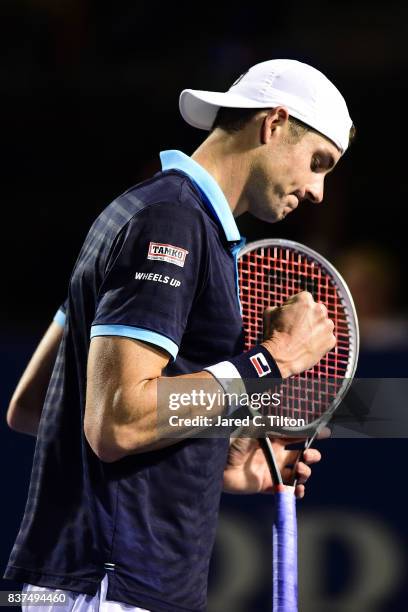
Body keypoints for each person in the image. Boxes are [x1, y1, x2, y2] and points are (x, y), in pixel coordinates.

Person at [5, 59, 354, 612]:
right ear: (273, 123)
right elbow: (117, 421)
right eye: (318, 162)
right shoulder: (173, 224)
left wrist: (220, 463)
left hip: (88, 585)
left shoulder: (139, 211)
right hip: (111, 588)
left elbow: (34, 407)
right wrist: (273, 360)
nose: (317, 191)